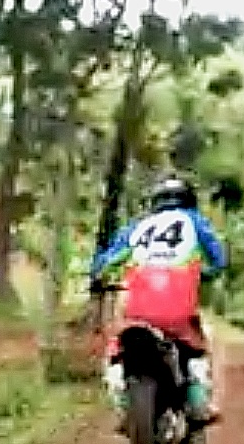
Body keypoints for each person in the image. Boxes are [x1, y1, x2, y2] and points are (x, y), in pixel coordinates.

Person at [89, 173, 227, 429]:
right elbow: (219, 261)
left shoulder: (137, 228)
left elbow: (104, 263)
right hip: (178, 311)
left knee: (116, 350)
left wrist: (98, 279)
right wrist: (205, 274)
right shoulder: (194, 222)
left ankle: (122, 407)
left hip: (137, 310)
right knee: (199, 346)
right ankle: (200, 405)